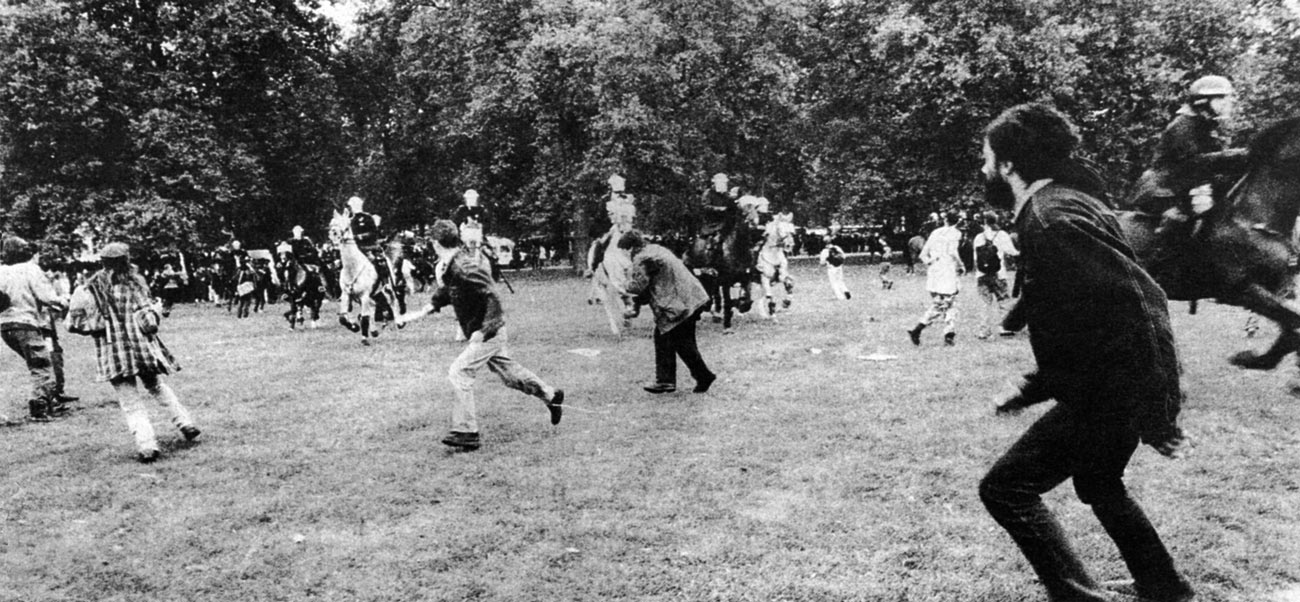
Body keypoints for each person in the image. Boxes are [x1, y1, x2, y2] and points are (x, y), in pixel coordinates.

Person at [978, 103, 1193, 602]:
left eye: (987, 157)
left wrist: (1160, 413)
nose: (983, 168)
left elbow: (1143, 304)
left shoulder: (1052, 218)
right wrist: (1031, 388)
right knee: (1099, 482)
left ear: (1008, 164)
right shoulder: (1063, 205)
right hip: (1111, 387)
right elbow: (1079, 329)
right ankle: (1164, 586)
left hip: (1109, 394)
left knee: (1006, 489)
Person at [419, 220, 563, 451]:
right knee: (509, 375)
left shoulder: (464, 266)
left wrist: (485, 330)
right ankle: (551, 395)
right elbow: (450, 288)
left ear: (435, 243)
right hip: (489, 332)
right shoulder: (455, 264)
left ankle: (466, 432)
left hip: (489, 333)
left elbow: (493, 295)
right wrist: (432, 305)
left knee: (459, 372)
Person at [84, 242, 200, 462]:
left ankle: (147, 446)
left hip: (112, 352)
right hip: (140, 349)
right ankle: (185, 423)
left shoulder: (91, 288)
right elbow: (148, 322)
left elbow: (84, 321)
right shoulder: (133, 284)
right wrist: (156, 310)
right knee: (157, 386)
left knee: (130, 403)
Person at [1134, 75, 1249, 265]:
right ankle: (1157, 266)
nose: (1227, 102)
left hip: (1183, 185)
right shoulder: (1184, 125)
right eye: (1221, 98)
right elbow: (1195, 162)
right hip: (1163, 189)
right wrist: (1238, 155)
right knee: (1180, 222)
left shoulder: (1204, 125)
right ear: (1203, 101)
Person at [618, 229, 717, 395]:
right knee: (682, 341)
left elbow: (638, 286)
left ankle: (668, 381)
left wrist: (621, 285)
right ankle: (700, 376)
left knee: (667, 338)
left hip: (677, 304)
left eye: (624, 250)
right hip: (693, 297)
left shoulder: (641, 258)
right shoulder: (656, 249)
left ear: (630, 248)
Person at [0, 237, 68, 424]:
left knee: (36, 364)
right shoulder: (30, 269)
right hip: (26, 323)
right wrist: (63, 301)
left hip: (5, 326)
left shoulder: (1, 271)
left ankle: (48, 400)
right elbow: (46, 296)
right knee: (42, 366)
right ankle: (39, 407)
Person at [906, 211, 963, 346]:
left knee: (945, 303)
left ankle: (949, 334)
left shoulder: (935, 233)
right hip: (947, 271)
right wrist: (961, 265)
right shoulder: (955, 233)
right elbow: (953, 252)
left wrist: (931, 262)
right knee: (946, 303)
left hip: (934, 272)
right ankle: (919, 329)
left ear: (945, 220)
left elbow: (923, 255)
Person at [970, 211, 1019, 339]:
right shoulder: (1002, 235)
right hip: (999, 273)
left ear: (984, 222)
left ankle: (983, 330)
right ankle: (1003, 327)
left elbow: (975, 258)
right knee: (1003, 300)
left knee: (984, 303)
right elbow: (1011, 252)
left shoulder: (978, 237)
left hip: (982, 274)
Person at [346, 195, 393, 303]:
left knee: (380, 261)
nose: (350, 208)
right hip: (356, 248)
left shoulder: (367, 218)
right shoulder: (351, 220)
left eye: (351, 206)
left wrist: (362, 236)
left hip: (369, 246)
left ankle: (385, 284)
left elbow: (373, 232)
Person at [817, 234, 851, 300]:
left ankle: (840, 297)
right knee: (840, 280)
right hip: (839, 266)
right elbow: (844, 256)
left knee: (834, 283)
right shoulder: (837, 247)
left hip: (831, 268)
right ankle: (845, 290)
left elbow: (822, 263)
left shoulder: (824, 251)